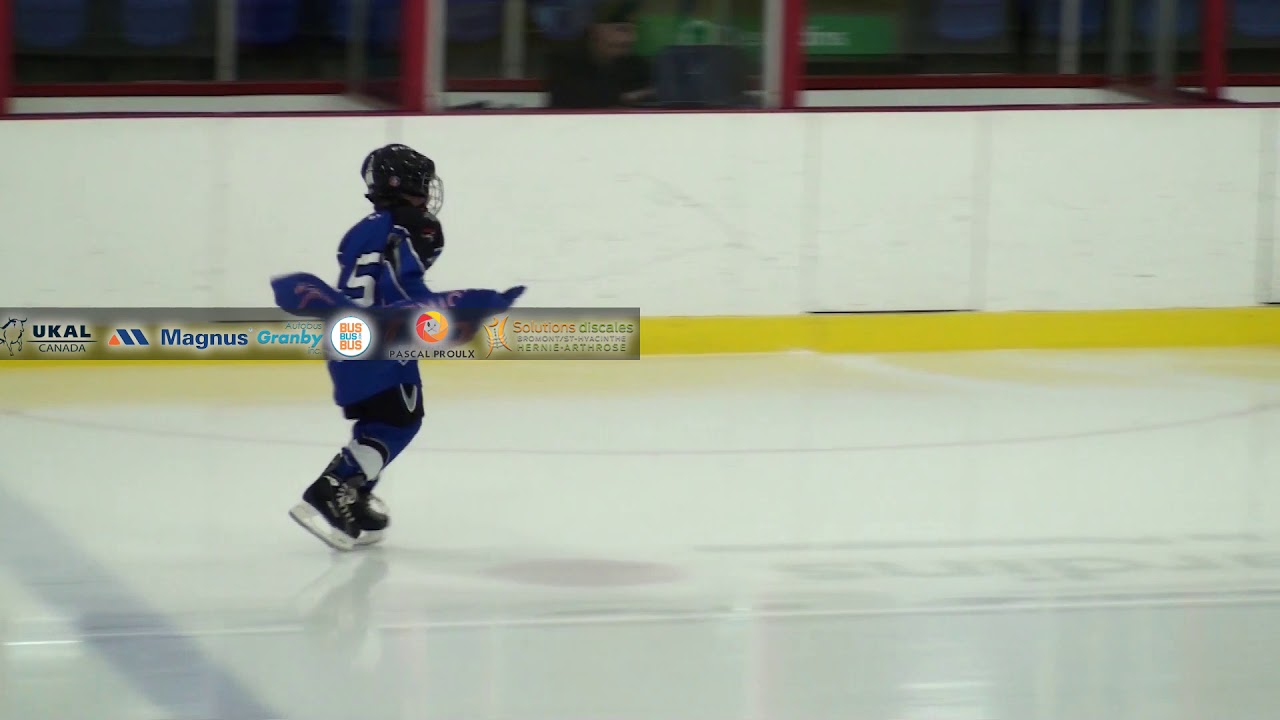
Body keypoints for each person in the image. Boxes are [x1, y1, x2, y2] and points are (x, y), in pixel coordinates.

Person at [272, 144, 524, 551]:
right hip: (386, 339)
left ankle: (354, 494)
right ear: (403, 184)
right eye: (422, 183)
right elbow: (405, 283)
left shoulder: (360, 229)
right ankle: (333, 487)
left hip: (345, 337)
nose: (427, 193)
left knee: (378, 421)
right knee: (400, 422)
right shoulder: (413, 224)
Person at [546, 0, 654, 109]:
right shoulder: (565, 64)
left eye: (634, 31)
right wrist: (622, 98)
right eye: (622, 30)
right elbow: (574, 103)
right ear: (594, 31)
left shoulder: (637, 67)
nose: (631, 39)